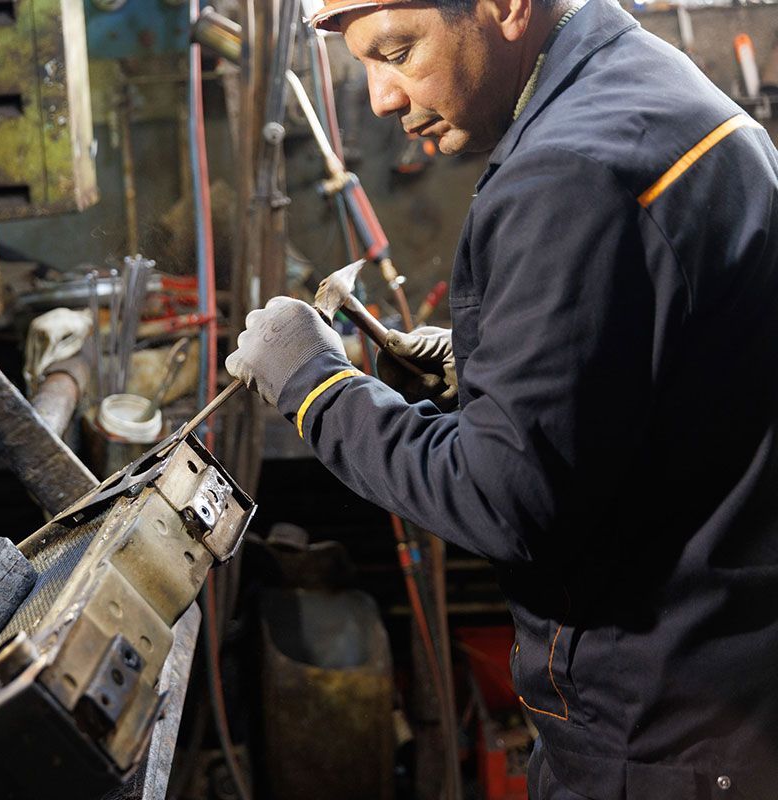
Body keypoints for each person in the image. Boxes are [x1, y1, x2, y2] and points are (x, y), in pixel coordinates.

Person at [224, 0, 778, 796]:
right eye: (365, 65)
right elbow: (681, 359)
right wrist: (492, 364)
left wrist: (316, 386)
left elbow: (503, 499)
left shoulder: (568, 170)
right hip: (737, 686)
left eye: (397, 52)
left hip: (660, 732)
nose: (381, 97)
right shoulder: (663, 91)